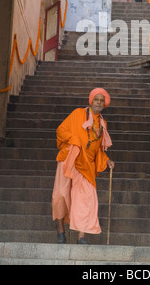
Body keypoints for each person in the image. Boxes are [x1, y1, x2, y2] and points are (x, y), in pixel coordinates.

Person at [52, 88, 115, 245]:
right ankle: (60, 232)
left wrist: (106, 160)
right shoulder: (77, 114)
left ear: (105, 104)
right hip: (69, 159)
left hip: (87, 165)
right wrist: (74, 141)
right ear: (91, 101)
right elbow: (61, 130)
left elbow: (99, 149)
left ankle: (81, 237)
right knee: (60, 195)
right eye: (96, 100)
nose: (99, 102)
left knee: (86, 198)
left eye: (102, 100)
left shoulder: (102, 124)